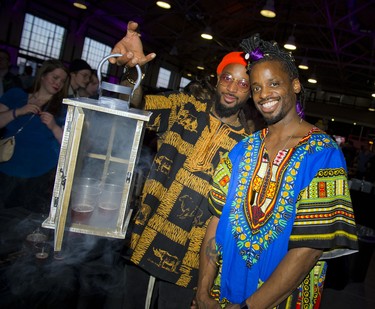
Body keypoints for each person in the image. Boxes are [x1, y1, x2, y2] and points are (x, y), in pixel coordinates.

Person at [196, 33, 359, 309]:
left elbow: (309, 250)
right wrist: (202, 293)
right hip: (223, 297)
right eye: (256, 87)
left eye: (274, 83)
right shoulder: (241, 150)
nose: (264, 95)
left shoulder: (323, 154)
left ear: (295, 85)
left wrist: (250, 306)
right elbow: (215, 222)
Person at [110, 21, 262, 308]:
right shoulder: (184, 108)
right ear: (217, 79)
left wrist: (209, 286)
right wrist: (133, 72)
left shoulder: (249, 147)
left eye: (244, 84)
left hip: (191, 263)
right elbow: (135, 106)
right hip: (144, 241)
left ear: (251, 93)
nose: (233, 88)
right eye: (228, 78)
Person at [0, 59, 69, 213]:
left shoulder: (62, 108)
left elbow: (68, 143)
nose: (58, 83)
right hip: (7, 167)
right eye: (55, 77)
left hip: (40, 173)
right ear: (43, 75)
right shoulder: (16, 95)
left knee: (27, 222)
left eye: (63, 81)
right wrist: (17, 112)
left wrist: (53, 126)